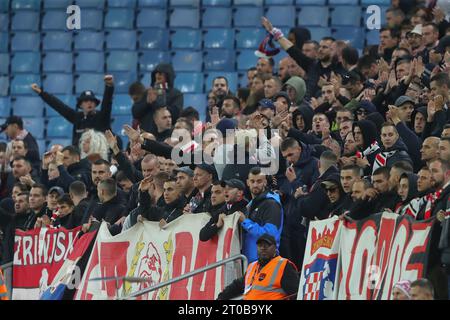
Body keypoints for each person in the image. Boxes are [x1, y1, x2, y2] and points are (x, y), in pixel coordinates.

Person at [31, 76, 114, 145]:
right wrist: (42, 93)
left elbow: (107, 103)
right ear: (80, 105)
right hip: (80, 158)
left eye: (92, 101)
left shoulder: (102, 116)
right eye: (86, 101)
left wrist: (109, 86)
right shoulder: (77, 117)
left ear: (96, 104)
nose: (89, 103)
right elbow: (59, 106)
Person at [217, 234, 299, 300]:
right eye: (260, 245)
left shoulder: (283, 265)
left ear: (275, 248)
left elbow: (297, 293)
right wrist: (221, 297)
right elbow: (238, 285)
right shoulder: (252, 266)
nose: (263, 248)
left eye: (267, 245)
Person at [238, 167, 283, 263]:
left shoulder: (272, 204)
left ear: (265, 182)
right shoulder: (250, 205)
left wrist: (245, 222)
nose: (255, 185)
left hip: (265, 261)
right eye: (252, 181)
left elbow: (270, 235)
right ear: (247, 182)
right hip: (250, 261)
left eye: (259, 181)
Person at [131, 63, 183, 133]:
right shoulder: (149, 92)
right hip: (146, 135)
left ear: (168, 75)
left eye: (161, 73)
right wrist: (146, 102)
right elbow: (135, 112)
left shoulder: (176, 94)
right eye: (156, 73)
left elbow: (175, 114)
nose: (158, 75)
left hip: (165, 136)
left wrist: (156, 102)